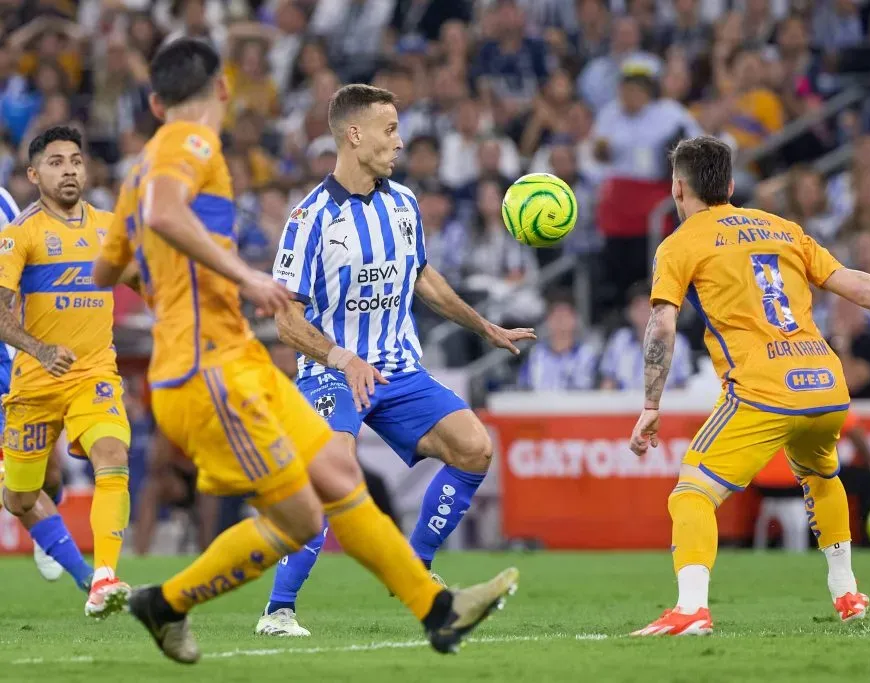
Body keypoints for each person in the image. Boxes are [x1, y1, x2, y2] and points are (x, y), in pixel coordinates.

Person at [93, 38, 518, 664]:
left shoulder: (137, 172)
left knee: (337, 484)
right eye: (390, 129)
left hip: (249, 358)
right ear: (223, 90)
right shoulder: (191, 143)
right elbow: (162, 214)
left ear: (154, 99)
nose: (400, 140)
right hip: (211, 366)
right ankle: (214, 605)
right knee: (305, 506)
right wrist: (245, 278)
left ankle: (435, 607)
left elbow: (108, 269)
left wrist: (167, 281)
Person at [629, 136, 870, 636]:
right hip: (825, 382)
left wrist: (650, 403)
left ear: (678, 188)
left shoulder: (680, 244)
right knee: (821, 477)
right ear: (730, 185)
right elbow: (854, 283)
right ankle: (848, 594)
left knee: (691, 493)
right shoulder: (782, 228)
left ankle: (691, 610)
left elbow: (662, 325)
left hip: (762, 390)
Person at [255, 82, 535, 638]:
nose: (399, 142)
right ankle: (278, 611)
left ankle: (415, 572)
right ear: (353, 135)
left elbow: (423, 278)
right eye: (389, 130)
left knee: (475, 448)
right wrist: (342, 358)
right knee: (332, 479)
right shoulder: (310, 217)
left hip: (399, 369)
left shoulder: (403, 204)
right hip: (330, 372)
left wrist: (483, 326)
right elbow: (285, 319)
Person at [0, 126, 133, 615]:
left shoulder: (109, 227)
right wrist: (37, 348)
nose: (70, 169)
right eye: (56, 162)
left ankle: (104, 578)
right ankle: (39, 522)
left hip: (93, 372)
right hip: (35, 382)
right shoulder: (21, 235)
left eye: (76, 160)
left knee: (112, 453)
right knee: (20, 496)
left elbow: (146, 280)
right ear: (35, 175)